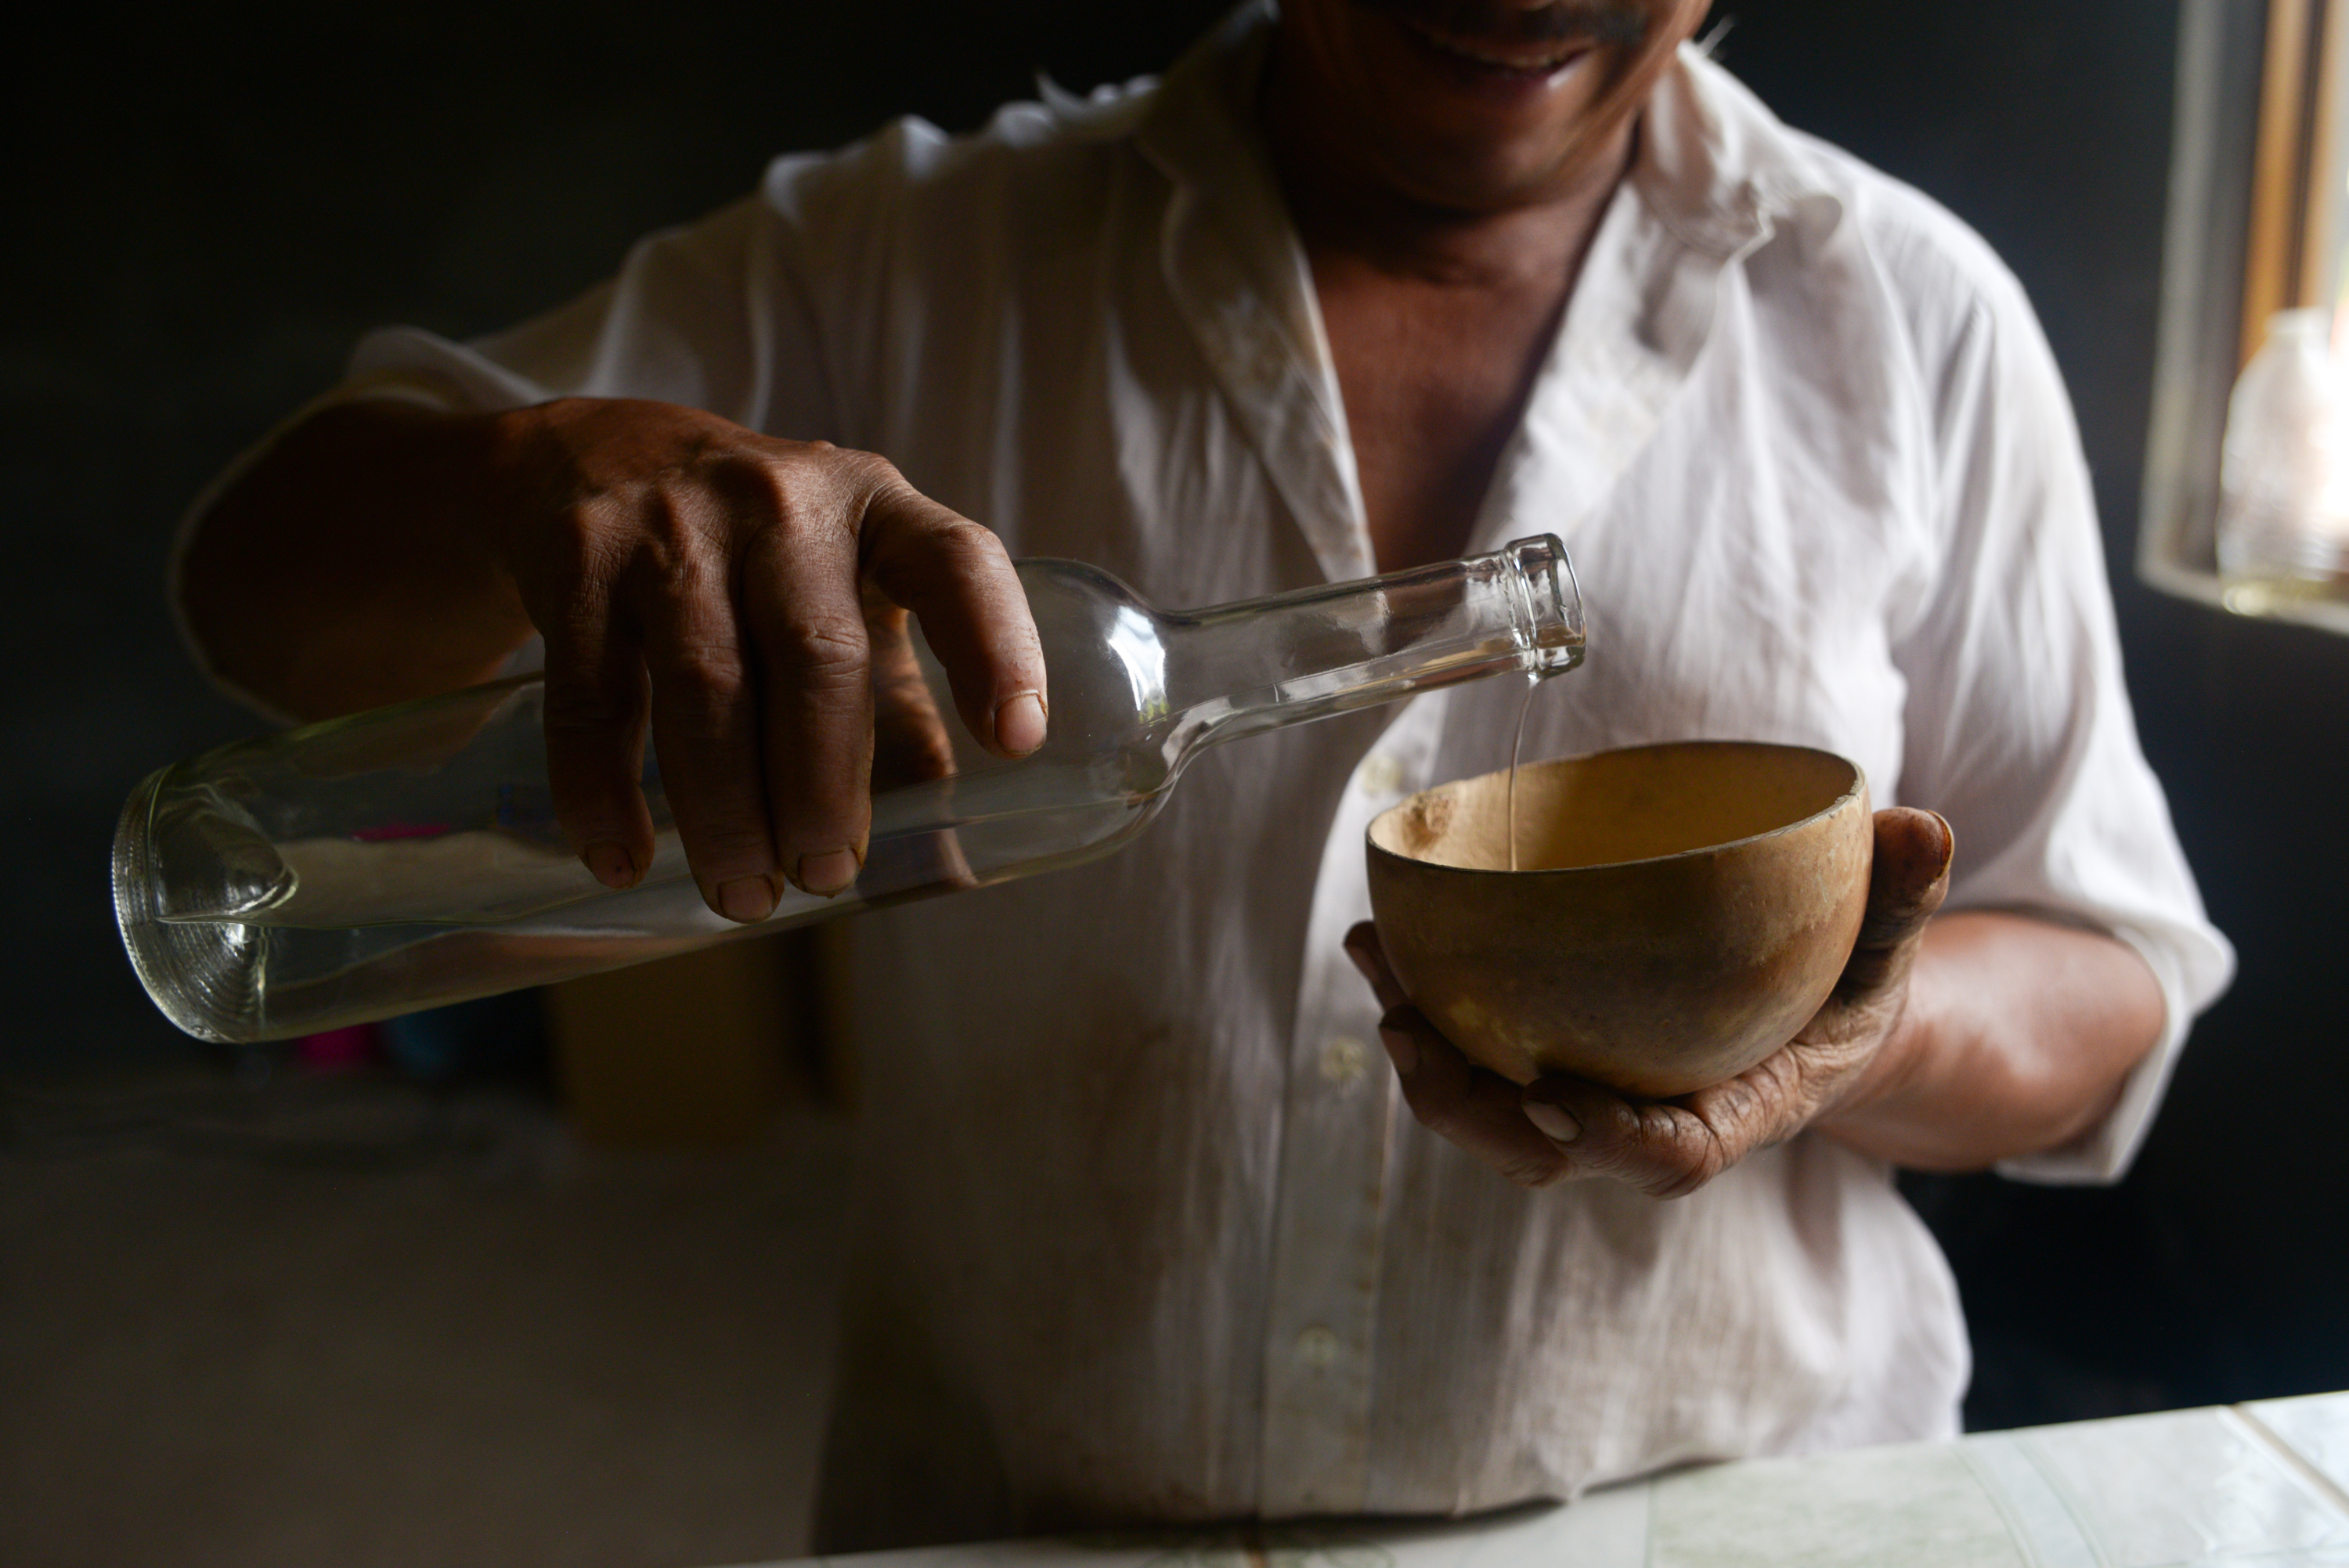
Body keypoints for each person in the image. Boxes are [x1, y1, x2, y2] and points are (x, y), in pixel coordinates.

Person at [174, 0, 2233, 1551]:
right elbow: (251, 582)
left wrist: (1831, 1033)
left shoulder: (1911, 318)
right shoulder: (910, 250)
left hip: (1725, 1520)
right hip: (1035, 1523)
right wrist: (544, 464)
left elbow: (2108, 969)